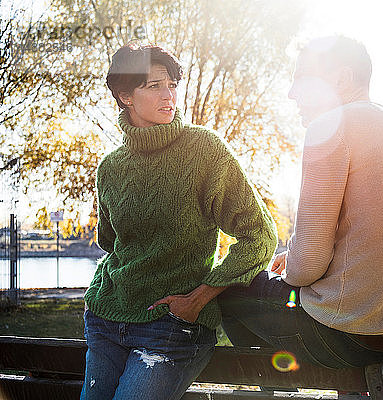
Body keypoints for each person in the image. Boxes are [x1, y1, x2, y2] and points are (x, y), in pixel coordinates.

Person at [219, 35, 383, 369]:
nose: (291, 92)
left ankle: (272, 390)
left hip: (353, 339)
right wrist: (296, 258)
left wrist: (294, 268)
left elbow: (308, 265)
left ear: (340, 79)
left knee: (232, 289)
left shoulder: (331, 126)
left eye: (302, 78)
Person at [81, 43, 277, 400]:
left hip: (171, 327)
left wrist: (198, 299)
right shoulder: (110, 167)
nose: (169, 95)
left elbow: (259, 237)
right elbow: (111, 243)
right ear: (125, 95)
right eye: (154, 86)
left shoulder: (205, 151)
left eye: (172, 84)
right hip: (106, 319)